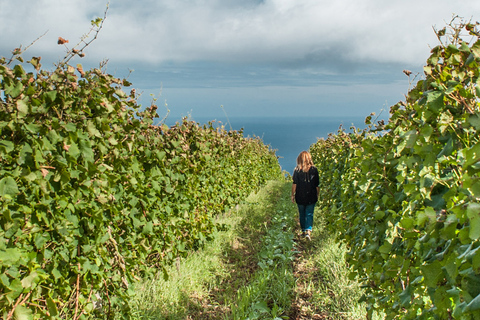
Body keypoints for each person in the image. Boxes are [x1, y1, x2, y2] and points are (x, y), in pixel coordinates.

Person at [291, 151, 319, 241]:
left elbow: (294, 184)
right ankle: (308, 232)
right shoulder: (314, 170)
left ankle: (303, 231)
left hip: (300, 196)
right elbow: (317, 185)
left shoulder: (297, 170)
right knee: (309, 213)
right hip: (311, 195)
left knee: (302, 214)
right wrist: (317, 194)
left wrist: (292, 195)